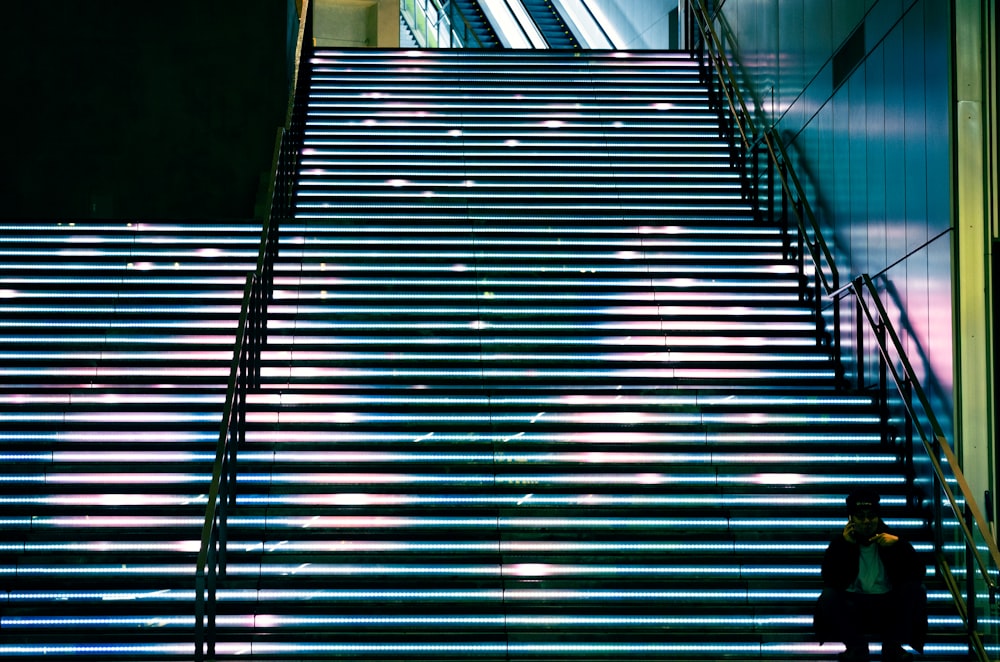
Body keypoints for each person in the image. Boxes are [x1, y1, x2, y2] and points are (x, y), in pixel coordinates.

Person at [814, 487, 927, 662]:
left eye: (871, 516)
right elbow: (830, 579)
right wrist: (847, 547)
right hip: (855, 606)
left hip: (887, 606)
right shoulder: (840, 543)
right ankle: (856, 647)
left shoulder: (892, 539)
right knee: (828, 597)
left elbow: (918, 573)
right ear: (851, 519)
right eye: (860, 516)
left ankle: (893, 647)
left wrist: (899, 545)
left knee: (916, 590)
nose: (867, 521)